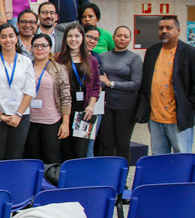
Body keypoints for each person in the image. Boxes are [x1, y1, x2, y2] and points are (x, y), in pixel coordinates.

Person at [139, 16, 195, 154]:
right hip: (155, 118)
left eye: (169, 28)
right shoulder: (152, 51)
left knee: (181, 159)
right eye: (161, 28)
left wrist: (187, 108)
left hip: (178, 119)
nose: (164, 31)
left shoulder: (193, 54)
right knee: (158, 159)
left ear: (178, 30)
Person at [0, 23, 35, 161]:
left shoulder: (26, 61)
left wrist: (18, 114)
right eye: (3, 37)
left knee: (15, 156)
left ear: (17, 38)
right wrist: (0, 115)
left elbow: (29, 91)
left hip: (20, 116)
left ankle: (13, 183)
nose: (8, 40)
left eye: (11, 36)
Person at [56, 24, 101, 160]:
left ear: (82, 38)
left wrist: (91, 105)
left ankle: (78, 180)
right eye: (70, 36)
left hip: (83, 111)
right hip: (63, 111)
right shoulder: (60, 58)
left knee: (80, 152)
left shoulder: (91, 60)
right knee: (65, 149)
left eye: (77, 35)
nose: (73, 39)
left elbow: (96, 86)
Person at [24, 34, 70, 165]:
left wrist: (65, 123)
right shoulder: (26, 67)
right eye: (36, 46)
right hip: (29, 120)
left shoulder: (59, 69)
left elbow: (65, 97)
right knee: (33, 160)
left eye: (44, 45)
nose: (40, 49)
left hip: (52, 120)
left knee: (51, 160)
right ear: (31, 48)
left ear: (50, 48)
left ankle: (48, 186)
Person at [97, 26, 142, 162]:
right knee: (107, 145)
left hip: (126, 107)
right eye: (119, 35)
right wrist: (102, 84)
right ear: (113, 37)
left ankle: (122, 180)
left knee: (122, 145)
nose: (122, 38)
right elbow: (100, 79)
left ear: (130, 40)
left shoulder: (134, 58)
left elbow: (136, 84)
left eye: (126, 36)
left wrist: (111, 84)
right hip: (106, 106)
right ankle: (108, 178)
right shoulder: (103, 56)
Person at [82, 24, 107, 157]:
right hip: (76, 104)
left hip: (94, 105)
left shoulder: (96, 57)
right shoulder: (70, 56)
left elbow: (102, 79)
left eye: (96, 39)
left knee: (89, 146)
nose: (92, 41)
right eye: (89, 37)